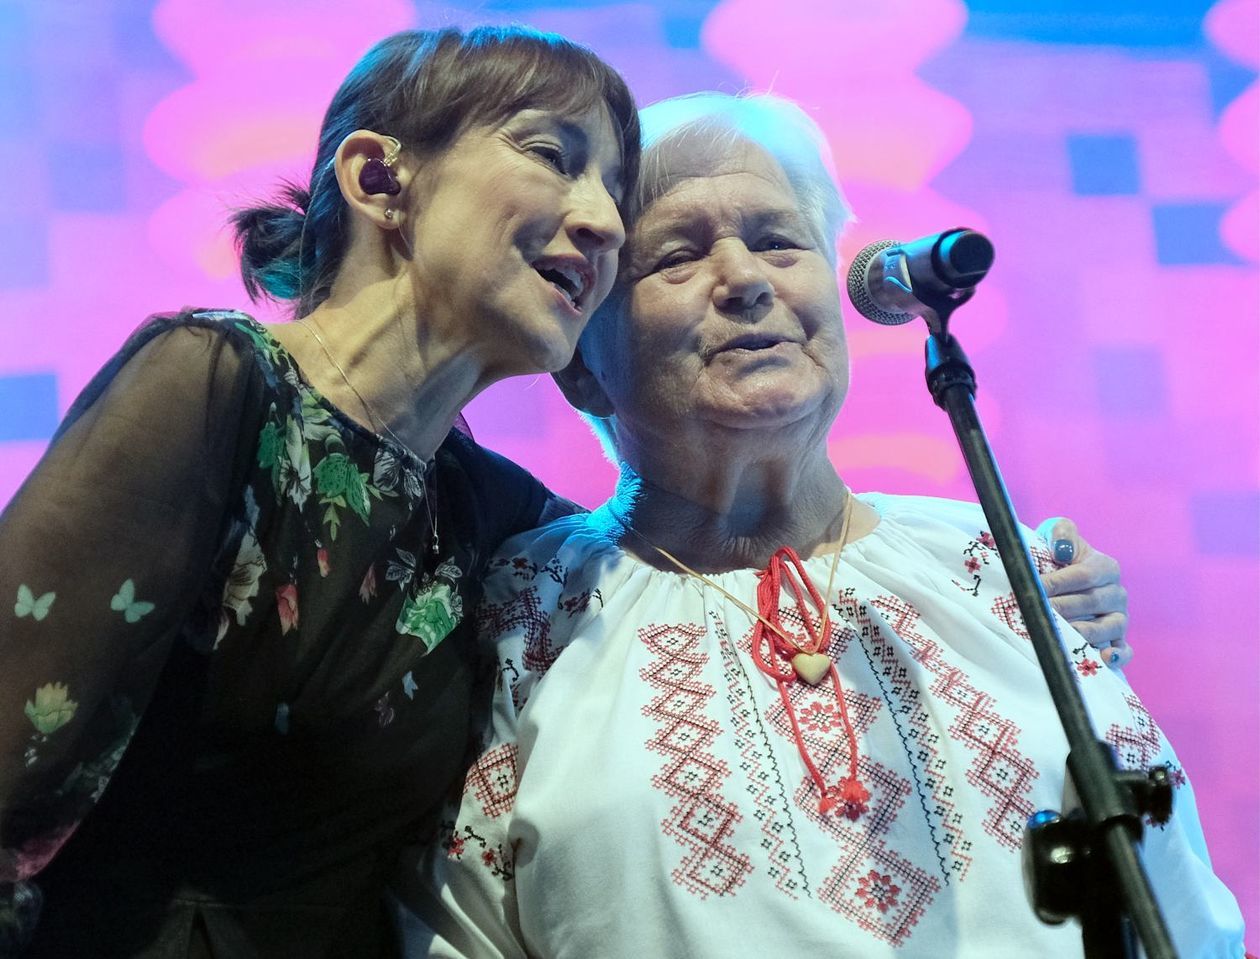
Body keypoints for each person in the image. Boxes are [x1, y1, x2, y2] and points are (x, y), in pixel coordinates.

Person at [395, 93, 1245, 957]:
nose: (746, 279)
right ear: (580, 366)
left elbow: (1176, 910)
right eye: (677, 256)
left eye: (779, 241)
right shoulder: (523, 613)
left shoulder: (994, 565)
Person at [0, 25, 637, 958]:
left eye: (617, 192)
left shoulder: (491, 512)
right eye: (553, 155)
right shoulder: (211, 384)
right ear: (379, 179)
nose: (608, 222)